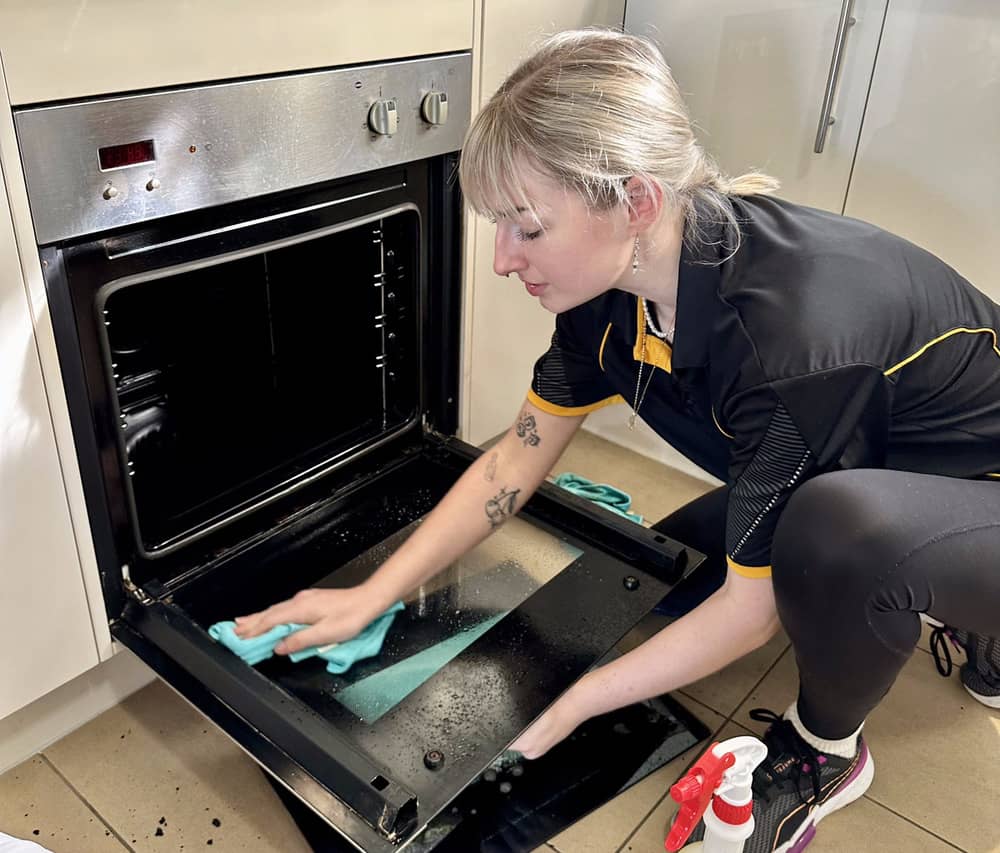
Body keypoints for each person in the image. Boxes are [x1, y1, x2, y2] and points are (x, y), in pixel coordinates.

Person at [233, 28, 1000, 852]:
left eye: (526, 225)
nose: (501, 259)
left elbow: (749, 615)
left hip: (974, 489)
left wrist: (567, 704)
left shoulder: (789, 340)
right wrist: (369, 595)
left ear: (635, 202)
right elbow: (511, 460)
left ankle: (828, 752)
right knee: (658, 569)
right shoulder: (608, 297)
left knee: (834, 536)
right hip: (880, 452)